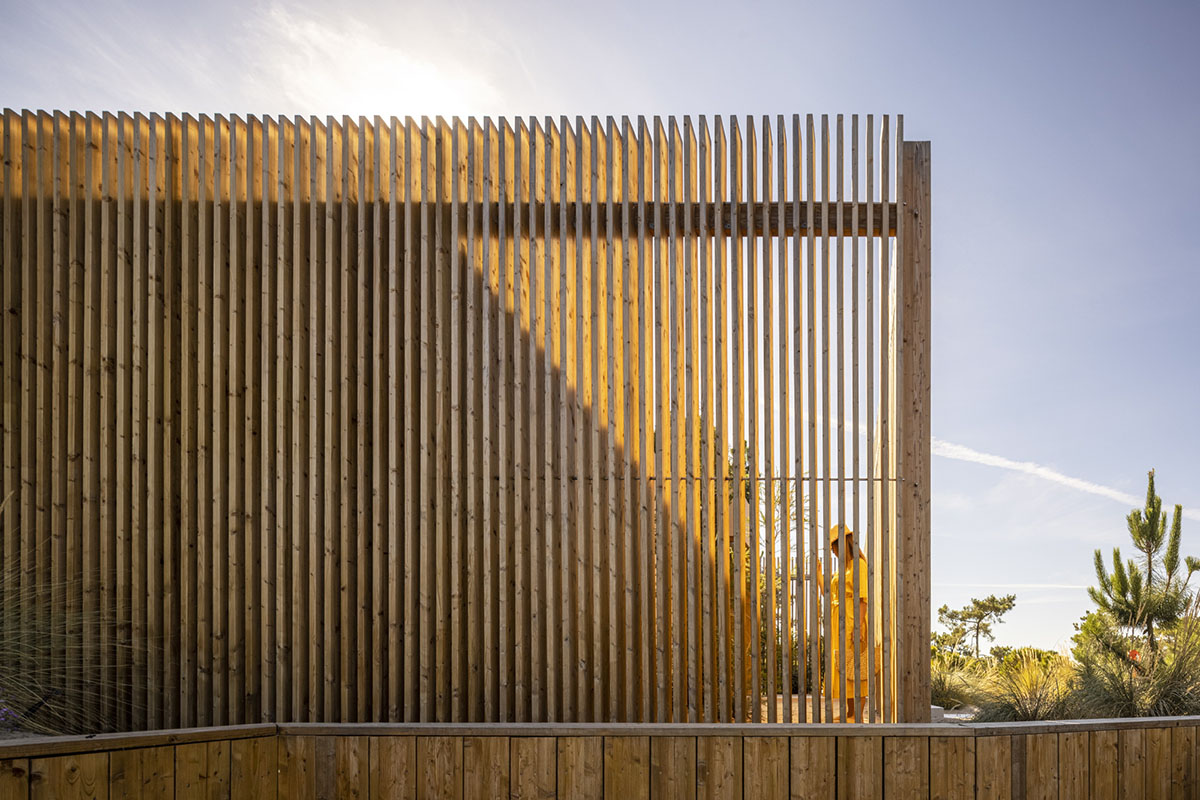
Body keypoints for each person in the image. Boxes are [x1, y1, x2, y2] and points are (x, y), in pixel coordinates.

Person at [818, 524, 878, 722]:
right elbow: (829, 593)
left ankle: (856, 715)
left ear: (842, 545)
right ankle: (849, 713)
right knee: (844, 666)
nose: (833, 553)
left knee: (855, 668)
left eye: (834, 548)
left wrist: (858, 626)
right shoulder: (844, 569)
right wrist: (819, 575)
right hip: (840, 622)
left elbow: (862, 598)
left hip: (852, 620)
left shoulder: (859, 566)